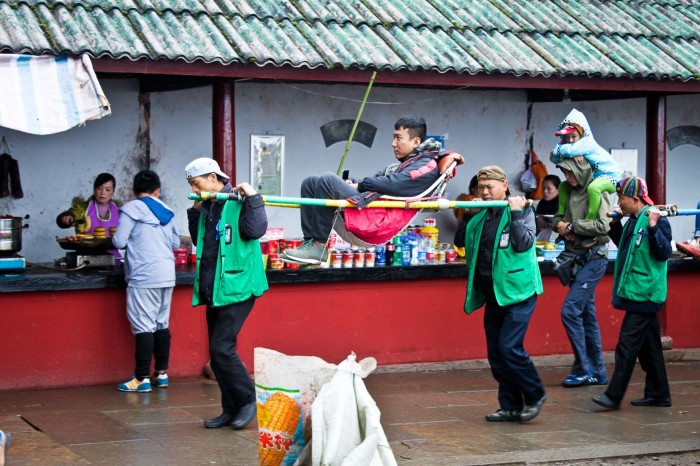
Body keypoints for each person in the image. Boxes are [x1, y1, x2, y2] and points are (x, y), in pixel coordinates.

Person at [284, 115, 456, 264]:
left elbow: (393, 184)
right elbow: (380, 180)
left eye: (398, 138)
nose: (393, 143)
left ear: (416, 141)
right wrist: (354, 183)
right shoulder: (404, 165)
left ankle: (318, 247)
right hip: (371, 210)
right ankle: (310, 243)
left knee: (328, 180)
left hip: (377, 222)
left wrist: (359, 185)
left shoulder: (427, 165)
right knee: (311, 182)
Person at [185, 157, 268, 430]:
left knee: (222, 348)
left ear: (212, 178)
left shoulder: (238, 199)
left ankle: (247, 399)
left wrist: (254, 198)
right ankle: (230, 408)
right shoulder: (209, 205)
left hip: (239, 286)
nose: (195, 190)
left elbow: (255, 230)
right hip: (215, 288)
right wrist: (195, 209)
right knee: (217, 351)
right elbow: (199, 239)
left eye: (196, 184)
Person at [463, 165, 546, 423]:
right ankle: (510, 406)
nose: (485, 192)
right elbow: (461, 243)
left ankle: (535, 395)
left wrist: (517, 212)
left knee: (509, 346)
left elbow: (523, 243)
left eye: (490, 187)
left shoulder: (523, 211)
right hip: (493, 295)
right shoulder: (480, 218)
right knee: (496, 355)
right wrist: (469, 213)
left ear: (504, 186)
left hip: (519, 293)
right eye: (481, 188)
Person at [592, 177, 673, 410]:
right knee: (650, 349)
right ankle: (659, 394)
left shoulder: (654, 219)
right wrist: (616, 224)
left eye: (621, 198)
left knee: (627, 346)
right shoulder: (633, 219)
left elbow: (664, 253)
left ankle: (613, 395)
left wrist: (655, 227)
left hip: (646, 293)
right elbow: (626, 247)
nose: (619, 202)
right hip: (636, 292)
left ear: (635, 199)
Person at [112, 170, 180, 393]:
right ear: (157, 191)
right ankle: (161, 374)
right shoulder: (167, 211)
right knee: (161, 323)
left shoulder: (131, 209)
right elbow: (175, 241)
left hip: (144, 274)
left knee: (143, 325)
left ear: (134, 190)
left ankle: (141, 378)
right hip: (166, 273)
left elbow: (119, 241)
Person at [552, 158, 612, 388]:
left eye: (570, 172)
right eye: (564, 172)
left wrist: (572, 226)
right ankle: (598, 371)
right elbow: (558, 218)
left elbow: (603, 226)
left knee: (570, 311)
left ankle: (584, 367)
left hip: (594, 258)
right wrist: (560, 226)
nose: (567, 176)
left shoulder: (597, 190)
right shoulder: (566, 190)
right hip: (575, 257)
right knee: (587, 316)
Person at [550, 109, 623, 221]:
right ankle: (560, 212)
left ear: (582, 133)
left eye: (573, 136)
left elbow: (565, 152)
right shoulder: (573, 148)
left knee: (593, 188)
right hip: (595, 177)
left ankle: (591, 217)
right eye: (566, 137)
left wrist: (561, 151)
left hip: (610, 176)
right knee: (563, 186)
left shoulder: (587, 143)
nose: (570, 140)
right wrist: (566, 154)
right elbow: (554, 158)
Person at [56, 172, 121, 256]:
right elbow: (71, 214)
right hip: (86, 257)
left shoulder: (119, 210)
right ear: (94, 189)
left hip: (114, 257)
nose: (103, 193)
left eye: (108, 190)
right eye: (99, 188)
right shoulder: (83, 208)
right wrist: (66, 218)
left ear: (112, 192)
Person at [453, 174, 479, 249]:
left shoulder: (462, 199)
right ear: (473, 188)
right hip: (468, 236)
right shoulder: (468, 200)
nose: (484, 191)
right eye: (480, 187)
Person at [535, 174, 561, 241]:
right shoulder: (541, 203)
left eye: (549, 189)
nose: (545, 191)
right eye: (543, 188)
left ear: (558, 189)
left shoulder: (563, 203)